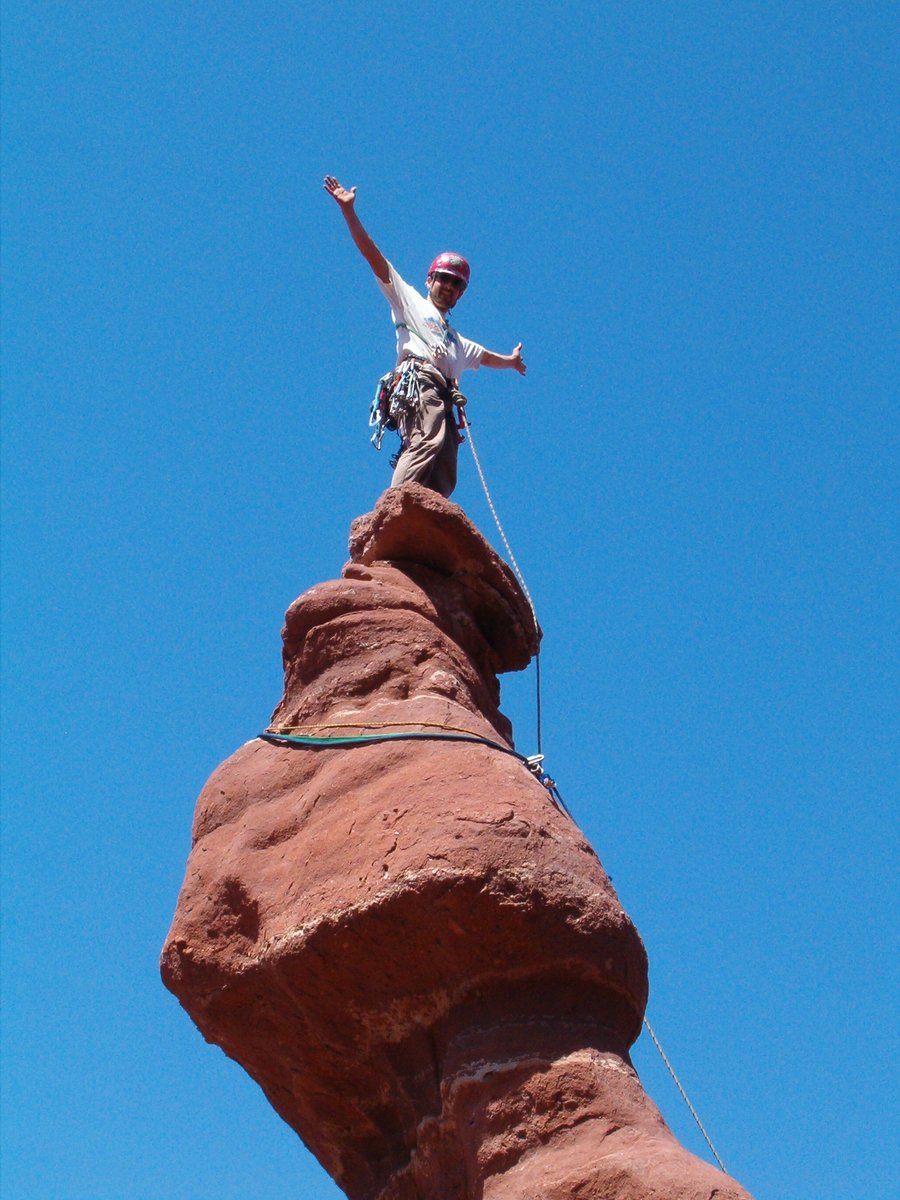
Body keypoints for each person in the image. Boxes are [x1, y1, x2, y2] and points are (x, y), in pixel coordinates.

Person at [324, 175, 527, 499]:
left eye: (456, 284)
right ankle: (396, 506)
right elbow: (373, 257)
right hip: (420, 381)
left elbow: (485, 357)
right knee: (425, 441)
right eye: (444, 279)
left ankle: (427, 517)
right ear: (430, 279)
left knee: (445, 467)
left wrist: (511, 362)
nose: (449, 287)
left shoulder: (457, 341)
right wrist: (349, 212)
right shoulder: (410, 302)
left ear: (461, 293)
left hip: (444, 396)